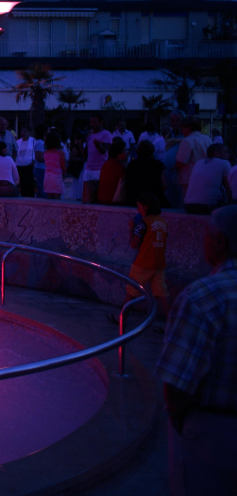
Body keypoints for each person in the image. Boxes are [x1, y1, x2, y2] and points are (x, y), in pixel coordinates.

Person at [155, 205, 237, 495]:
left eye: (206, 234)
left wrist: (181, 421)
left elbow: (176, 387)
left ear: (219, 242)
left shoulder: (204, 296)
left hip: (214, 435)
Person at [121, 193, 171, 320]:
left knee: (132, 291)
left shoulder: (143, 223)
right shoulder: (163, 222)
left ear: (146, 207)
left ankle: (122, 318)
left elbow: (133, 244)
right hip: (159, 264)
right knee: (163, 293)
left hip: (142, 263)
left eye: (139, 207)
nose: (138, 210)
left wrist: (131, 228)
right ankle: (172, 323)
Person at [183, 143, 231, 214]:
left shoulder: (198, 163)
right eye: (226, 152)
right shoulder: (225, 163)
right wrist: (231, 205)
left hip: (188, 206)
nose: (229, 155)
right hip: (208, 206)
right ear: (217, 154)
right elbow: (229, 187)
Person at [176, 116, 213, 202]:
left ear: (188, 127)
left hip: (189, 177)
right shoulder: (207, 139)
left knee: (187, 202)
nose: (181, 130)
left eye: (182, 128)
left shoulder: (187, 141)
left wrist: (173, 167)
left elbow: (181, 161)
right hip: (205, 176)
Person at [125, 139, 168, 208]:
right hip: (154, 199)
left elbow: (127, 184)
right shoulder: (158, 165)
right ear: (152, 150)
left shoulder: (131, 165)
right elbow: (164, 185)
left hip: (134, 199)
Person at [82, 114, 114, 203]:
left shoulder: (107, 134)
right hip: (88, 168)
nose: (92, 124)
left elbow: (104, 150)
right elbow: (85, 154)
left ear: (101, 122)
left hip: (100, 168)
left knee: (98, 197)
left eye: (94, 122)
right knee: (87, 198)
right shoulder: (89, 136)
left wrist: (98, 146)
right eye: (91, 122)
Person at [97, 138, 128, 205]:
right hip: (112, 199)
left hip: (102, 198)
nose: (126, 153)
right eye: (124, 150)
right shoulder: (118, 166)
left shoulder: (106, 163)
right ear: (119, 153)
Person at [42, 130, 66, 199]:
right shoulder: (60, 153)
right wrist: (63, 176)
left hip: (47, 176)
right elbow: (63, 167)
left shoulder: (45, 153)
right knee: (57, 200)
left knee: (49, 200)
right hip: (57, 176)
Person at [14, 126, 37, 198]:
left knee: (29, 181)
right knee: (22, 182)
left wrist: (34, 160)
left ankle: (30, 196)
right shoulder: (18, 142)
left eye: (25, 131)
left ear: (29, 132)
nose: (23, 133)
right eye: (22, 131)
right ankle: (23, 196)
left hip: (29, 164)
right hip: (19, 164)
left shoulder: (33, 141)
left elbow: (36, 151)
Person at [67, 131, 87, 201]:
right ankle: (79, 196)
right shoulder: (78, 146)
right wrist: (82, 159)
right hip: (81, 167)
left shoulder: (86, 144)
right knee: (80, 182)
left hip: (84, 166)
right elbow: (72, 157)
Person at [32, 124, 48, 199]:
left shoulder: (39, 142)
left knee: (40, 190)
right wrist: (49, 159)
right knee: (43, 191)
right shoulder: (40, 143)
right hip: (41, 169)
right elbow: (38, 157)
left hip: (40, 168)